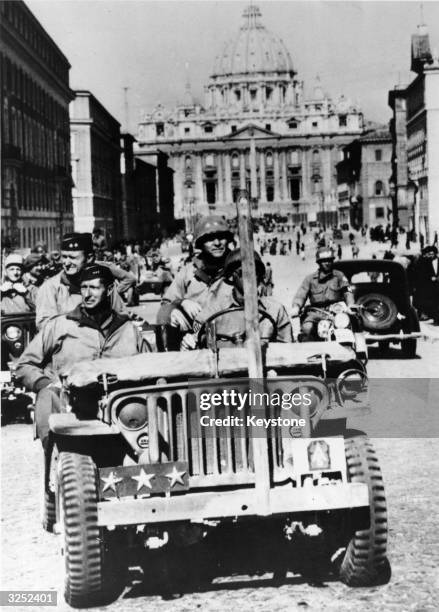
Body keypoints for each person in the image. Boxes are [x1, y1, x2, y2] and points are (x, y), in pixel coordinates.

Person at [16, 264, 144, 450]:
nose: (87, 294)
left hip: (123, 415)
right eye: (84, 287)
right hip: (73, 412)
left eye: (94, 287)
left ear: (109, 290)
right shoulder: (60, 325)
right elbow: (25, 364)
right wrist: (46, 384)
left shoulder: (128, 330)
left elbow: (149, 366)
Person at [181, 249, 293, 349]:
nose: (250, 276)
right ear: (231, 276)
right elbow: (199, 343)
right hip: (224, 369)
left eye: (255, 272)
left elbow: (287, 349)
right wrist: (188, 342)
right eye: (242, 272)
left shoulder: (275, 310)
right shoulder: (213, 313)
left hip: (263, 369)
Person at [35, 232, 136, 329]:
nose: (66, 263)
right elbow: (44, 325)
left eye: (73, 258)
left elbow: (121, 317)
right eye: (64, 257)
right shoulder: (51, 287)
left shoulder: (103, 285)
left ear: (89, 258)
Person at [157, 215, 233, 330]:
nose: (217, 243)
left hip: (231, 333)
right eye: (210, 238)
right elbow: (166, 304)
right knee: (167, 316)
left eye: (221, 237)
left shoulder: (238, 270)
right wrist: (182, 302)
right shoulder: (188, 272)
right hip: (195, 334)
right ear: (201, 243)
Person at [291, 247, 354, 340]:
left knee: (346, 328)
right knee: (307, 328)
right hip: (315, 312)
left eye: (329, 260)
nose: (327, 263)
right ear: (319, 263)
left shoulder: (339, 276)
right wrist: (296, 307)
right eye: (324, 261)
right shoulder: (310, 279)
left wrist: (350, 305)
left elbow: (347, 292)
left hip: (336, 311)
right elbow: (301, 294)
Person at [412, 245, 439, 323]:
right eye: (429, 254)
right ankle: (434, 318)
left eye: (432, 254)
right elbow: (422, 274)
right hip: (428, 287)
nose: (430, 256)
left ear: (435, 254)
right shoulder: (425, 261)